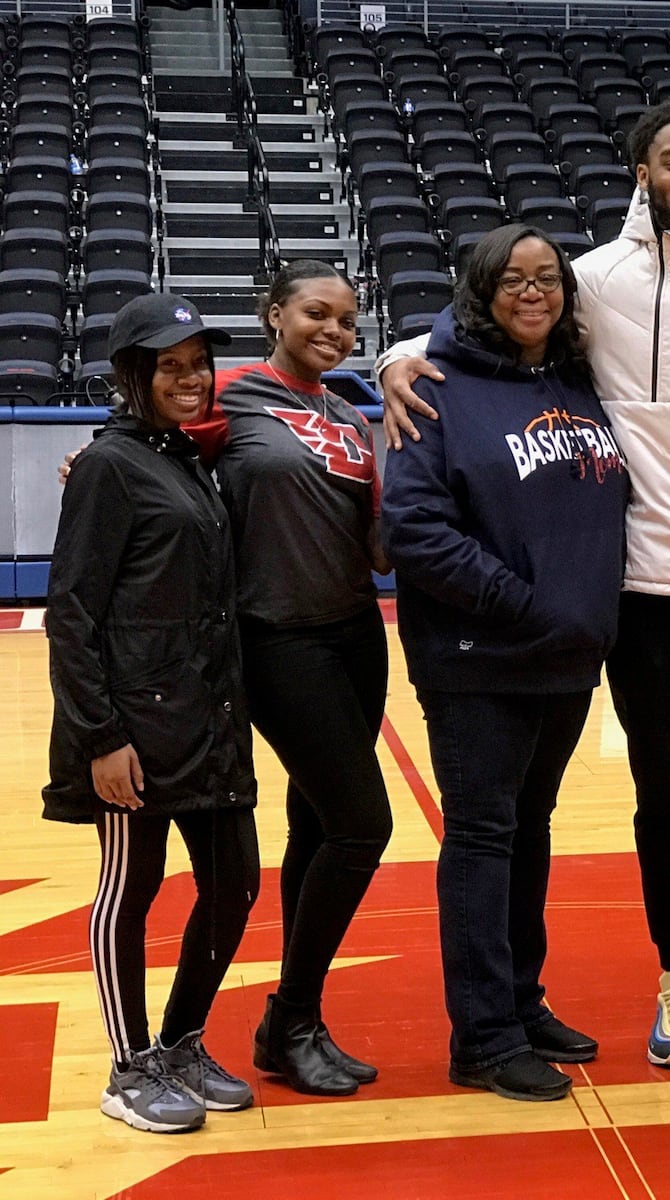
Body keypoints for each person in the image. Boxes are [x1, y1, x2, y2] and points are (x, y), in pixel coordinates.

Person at [377, 98, 670, 1068]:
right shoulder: (593, 282)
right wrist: (393, 359)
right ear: (641, 173)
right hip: (646, 595)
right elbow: (483, 320)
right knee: (659, 802)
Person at [381, 223, 629, 1101]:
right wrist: (523, 604)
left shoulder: (574, 377)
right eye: (513, 279)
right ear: (480, 291)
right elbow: (409, 529)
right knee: (484, 838)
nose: (534, 292)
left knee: (530, 831)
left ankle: (522, 1004)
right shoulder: (434, 387)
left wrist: (583, 616)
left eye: (548, 277)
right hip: (480, 658)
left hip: (565, 656)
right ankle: (481, 1039)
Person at [44, 294, 259, 1133]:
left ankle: (181, 1040)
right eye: (170, 364)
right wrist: (101, 737)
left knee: (234, 884)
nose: (190, 376)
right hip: (132, 728)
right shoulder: (108, 465)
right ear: (133, 374)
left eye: (198, 362)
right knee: (130, 888)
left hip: (209, 717)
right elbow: (72, 610)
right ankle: (128, 1067)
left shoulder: (192, 459)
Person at [186, 261, 393, 1097]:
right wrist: (94, 465)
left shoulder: (347, 412)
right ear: (275, 313)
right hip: (276, 638)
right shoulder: (232, 394)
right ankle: (291, 1016)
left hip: (356, 633)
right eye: (317, 314)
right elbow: (147, 445)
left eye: (347, 322)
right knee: (362, 826)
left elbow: (378, 539)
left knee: (316, 830)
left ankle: (295, 1027)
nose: (333, 333)